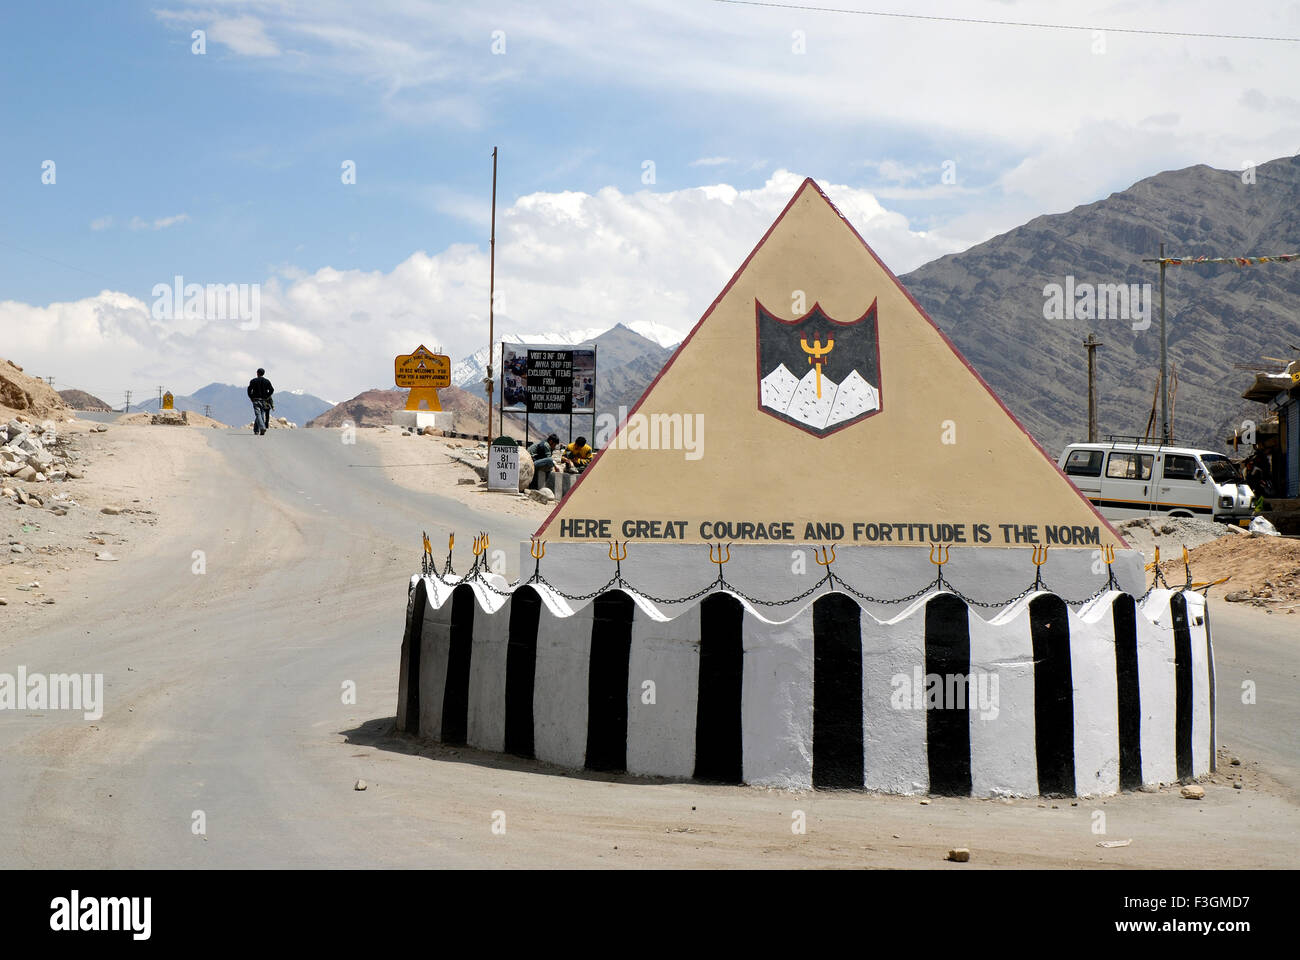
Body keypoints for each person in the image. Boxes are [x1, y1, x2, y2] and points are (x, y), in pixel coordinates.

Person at [247, 367, 275, 436]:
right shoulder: (267, 381)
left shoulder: (253, 381)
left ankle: (262, 428)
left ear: (257, 373)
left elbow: (249, 390)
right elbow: (271, 390)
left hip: (256, 400)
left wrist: (251, 397)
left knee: (258, 414)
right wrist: (267, 396)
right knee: (261, 414)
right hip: (263, 400)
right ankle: (256, 430)